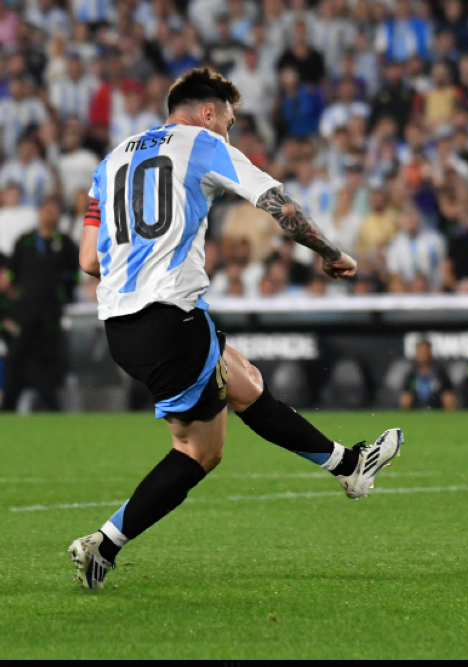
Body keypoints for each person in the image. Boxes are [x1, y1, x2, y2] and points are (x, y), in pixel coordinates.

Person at [71, 69, 403, 590]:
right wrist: (332, 254)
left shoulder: (110, 161)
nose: (230, 129)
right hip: (170, 319)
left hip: (121, 326)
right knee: (200, 451)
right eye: (229, 119)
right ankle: (104, 543)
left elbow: (90, 259)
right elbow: (278, 206)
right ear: (208, 112)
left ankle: (348, 465)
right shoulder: (202, 143)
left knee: (243, 379)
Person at [0, 198, 79, 412]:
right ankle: (9, 406)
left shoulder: (65, 243)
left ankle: (50, 405)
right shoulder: (24, 241)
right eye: (46, 211)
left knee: (47, 359)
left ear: (58, 216)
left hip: (51, 312)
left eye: (53, 211)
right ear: (39, 214)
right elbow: (10, 275)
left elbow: (75, 276)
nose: (49, 215)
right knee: (16, 356)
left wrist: (65, 295)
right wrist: (12, 302)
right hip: (24, 312)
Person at [399, 339, 457, 411]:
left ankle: (448, 421)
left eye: (424, 352)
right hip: (417, 407)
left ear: (430, 353)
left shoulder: (440, 374)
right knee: (405, 399)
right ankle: (406, 421)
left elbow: (448, 391)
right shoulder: (411, 375)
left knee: (448, 398)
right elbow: (406, 392)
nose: (422, 355)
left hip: (437, 407)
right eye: (420, 352)